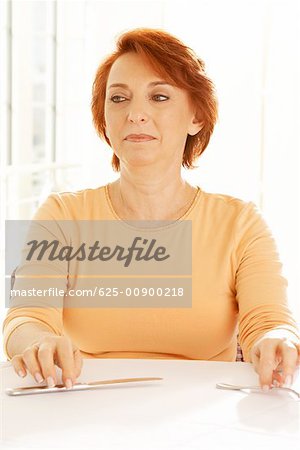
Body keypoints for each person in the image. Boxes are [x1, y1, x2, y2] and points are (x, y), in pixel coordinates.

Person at [2, 28, 299, 392]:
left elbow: (269, 321)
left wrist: (277, 338)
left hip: (204, 420)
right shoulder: (61, 216)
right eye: (119, 98)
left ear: (196, 118)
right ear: (105, 121)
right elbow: (26, 317)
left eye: (159, 96)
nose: (136, 114)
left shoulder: (241, 223)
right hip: (83, 408)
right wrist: (36, 342)